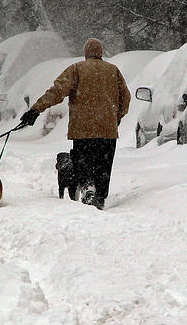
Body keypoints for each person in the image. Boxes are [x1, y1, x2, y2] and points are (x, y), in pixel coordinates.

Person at [20, 38, 130, 210]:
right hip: (107, 131)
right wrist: (117, 117)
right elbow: (126, 97)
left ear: (86, 53)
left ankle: (87, 187)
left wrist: (35, 110)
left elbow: (56, 92)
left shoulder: (76, 69)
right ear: (101, 53)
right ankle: (99, 197)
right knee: (103, 166)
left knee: (84, 163)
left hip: (82, 130)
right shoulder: (113, 71)